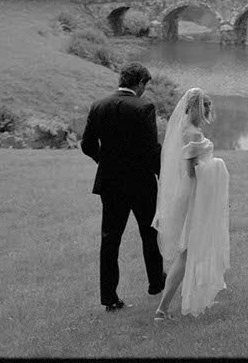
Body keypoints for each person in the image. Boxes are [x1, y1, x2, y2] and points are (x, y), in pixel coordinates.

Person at [80, 62, 166, 312]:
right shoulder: (144, 107)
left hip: (110, 182)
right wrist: (163, 175)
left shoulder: (99, 105)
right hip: (141, 182)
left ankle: (109, 298)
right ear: (139, 83)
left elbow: (87, 144)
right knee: (149, 233)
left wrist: (104, 162)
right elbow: (151, 149)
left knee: (110, 239)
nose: (144, 90)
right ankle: (155, 283)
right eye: (144, 85)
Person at [152, 87, 230, 319]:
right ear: (197, 106)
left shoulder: (184, 129)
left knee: (193, 249)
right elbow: (191, 172)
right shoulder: (193, 134)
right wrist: (217, 165)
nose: (208, 111)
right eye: (206, 107)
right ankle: (162, 309)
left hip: (193, 195)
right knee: (187, 252)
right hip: (196, 197)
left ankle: (196, 296)